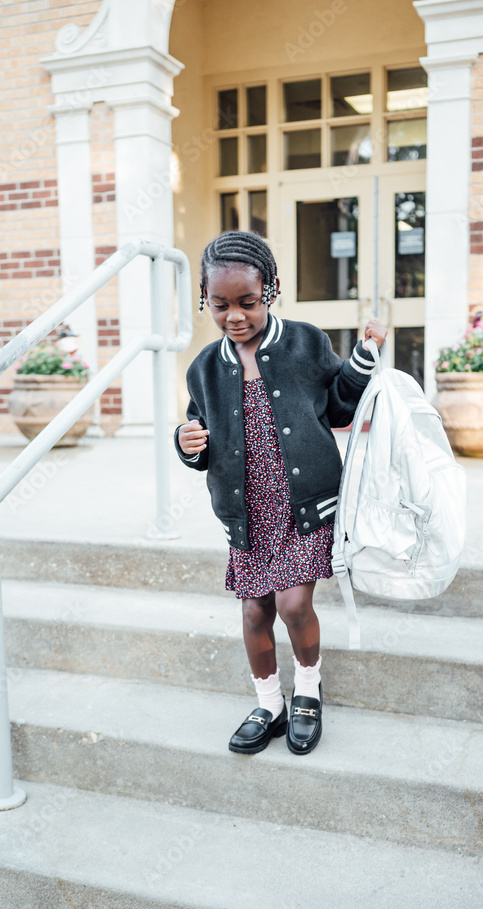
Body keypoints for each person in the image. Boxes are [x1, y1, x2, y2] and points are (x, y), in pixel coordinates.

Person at [174, 231, 386, 756]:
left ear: (269, 290)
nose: (235, 316)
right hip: (249, 513)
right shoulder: (204, 367)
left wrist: (363, 358)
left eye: (248, 302)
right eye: (220, 305)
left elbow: (339, 405)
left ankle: (308, 689)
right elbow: (200, 434)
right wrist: (186, 443)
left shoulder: (305, 342)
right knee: (254, 612)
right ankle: (269, 703)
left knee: (293, 604)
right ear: (204, 298)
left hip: (305, 505)